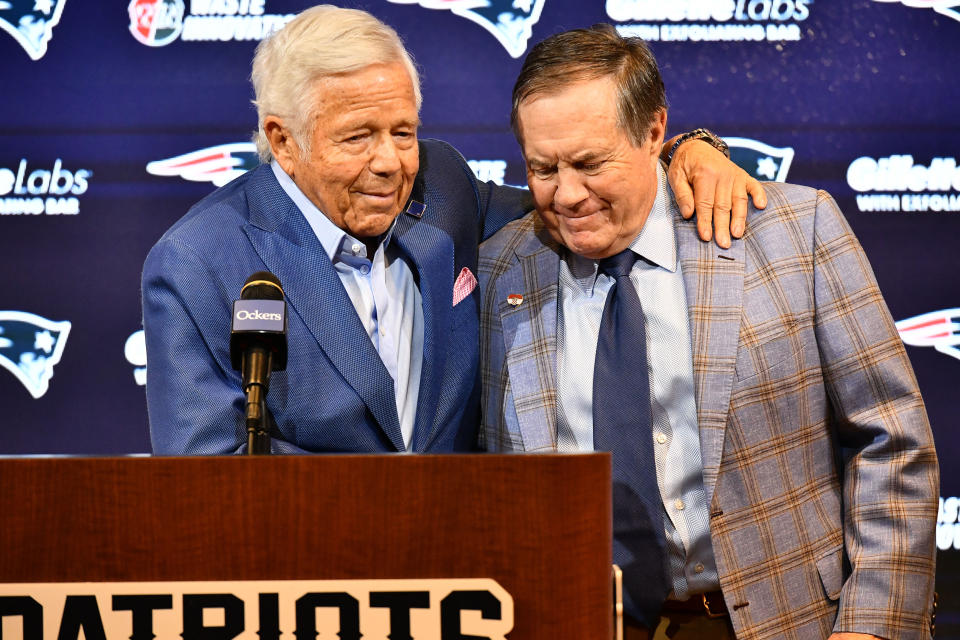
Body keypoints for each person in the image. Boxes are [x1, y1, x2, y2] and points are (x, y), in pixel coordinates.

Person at [478, 25, 938, 640]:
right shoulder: (498, 272)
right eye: (542, 167)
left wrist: (874, 626)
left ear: (652, 132)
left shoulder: (795, 234)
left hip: (793, 622)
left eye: (590, 163)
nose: (567, 195)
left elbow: (892, 443)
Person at [142, 5, 763, 455]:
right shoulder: (199, 263)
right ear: (283, 140)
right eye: (358, 137)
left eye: (403, 131)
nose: (390, 162)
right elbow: (208, 487)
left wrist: (687, 150)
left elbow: (577, 198)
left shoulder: (442, 185)